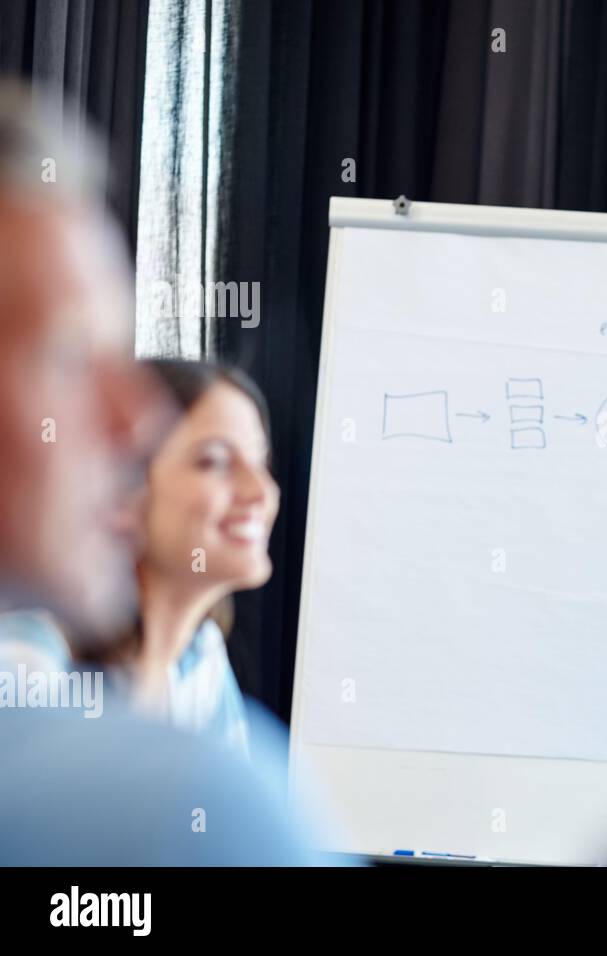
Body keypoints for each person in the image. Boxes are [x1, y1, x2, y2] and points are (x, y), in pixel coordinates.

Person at [0, 81, 321, 864]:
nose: (132, 425)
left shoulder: (200, 674)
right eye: (71, 353)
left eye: (263, 464)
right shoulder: (175, 789)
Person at [0, 359, 280, 756]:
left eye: (261, 461)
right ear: (121, 487)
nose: (260, 491)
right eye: (214, 461)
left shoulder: (199, 661)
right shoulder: (28, 665)